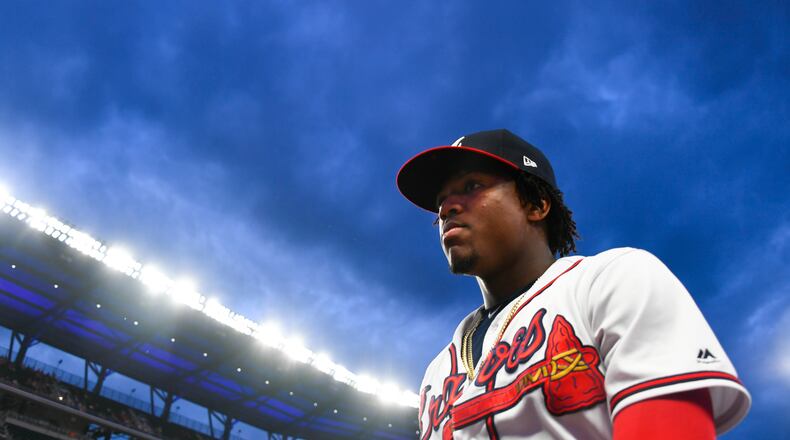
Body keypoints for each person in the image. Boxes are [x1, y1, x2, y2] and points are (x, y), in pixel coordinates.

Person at [396, 129, 750, 439]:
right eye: (441, 202)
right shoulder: (436, 372)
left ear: (536, 204)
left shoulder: (616, 280)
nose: (446, 209)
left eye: (472, 187)